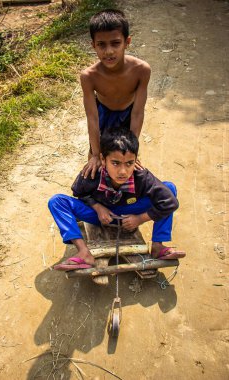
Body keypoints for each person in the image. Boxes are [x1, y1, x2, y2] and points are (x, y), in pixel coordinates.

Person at [48, 128, 185, 271]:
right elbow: (79, 192)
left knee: (168, 188)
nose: (123, 171)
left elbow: (170, 202)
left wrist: (139, 219)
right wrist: (97, 207)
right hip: (99, 216)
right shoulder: (92, 173)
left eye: (129, 163)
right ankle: (83, 252)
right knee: (56, 201)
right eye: (115, 163)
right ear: (102, 159)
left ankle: (157, 246)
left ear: (136, 160)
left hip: (130, 212)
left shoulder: (142, 177)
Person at [80, 9, 151, 180]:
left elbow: (137, 112)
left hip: (128, 114)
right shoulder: (89, 76)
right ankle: (95, 195)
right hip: (104, 115)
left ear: (127, 42)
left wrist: (133, 152)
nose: (109, 51)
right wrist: (96, 154)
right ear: (93, 45)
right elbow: (92, 117)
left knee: (125, 162)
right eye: (101, 45)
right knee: (97, 163)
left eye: (115, 43)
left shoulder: (141, 70)